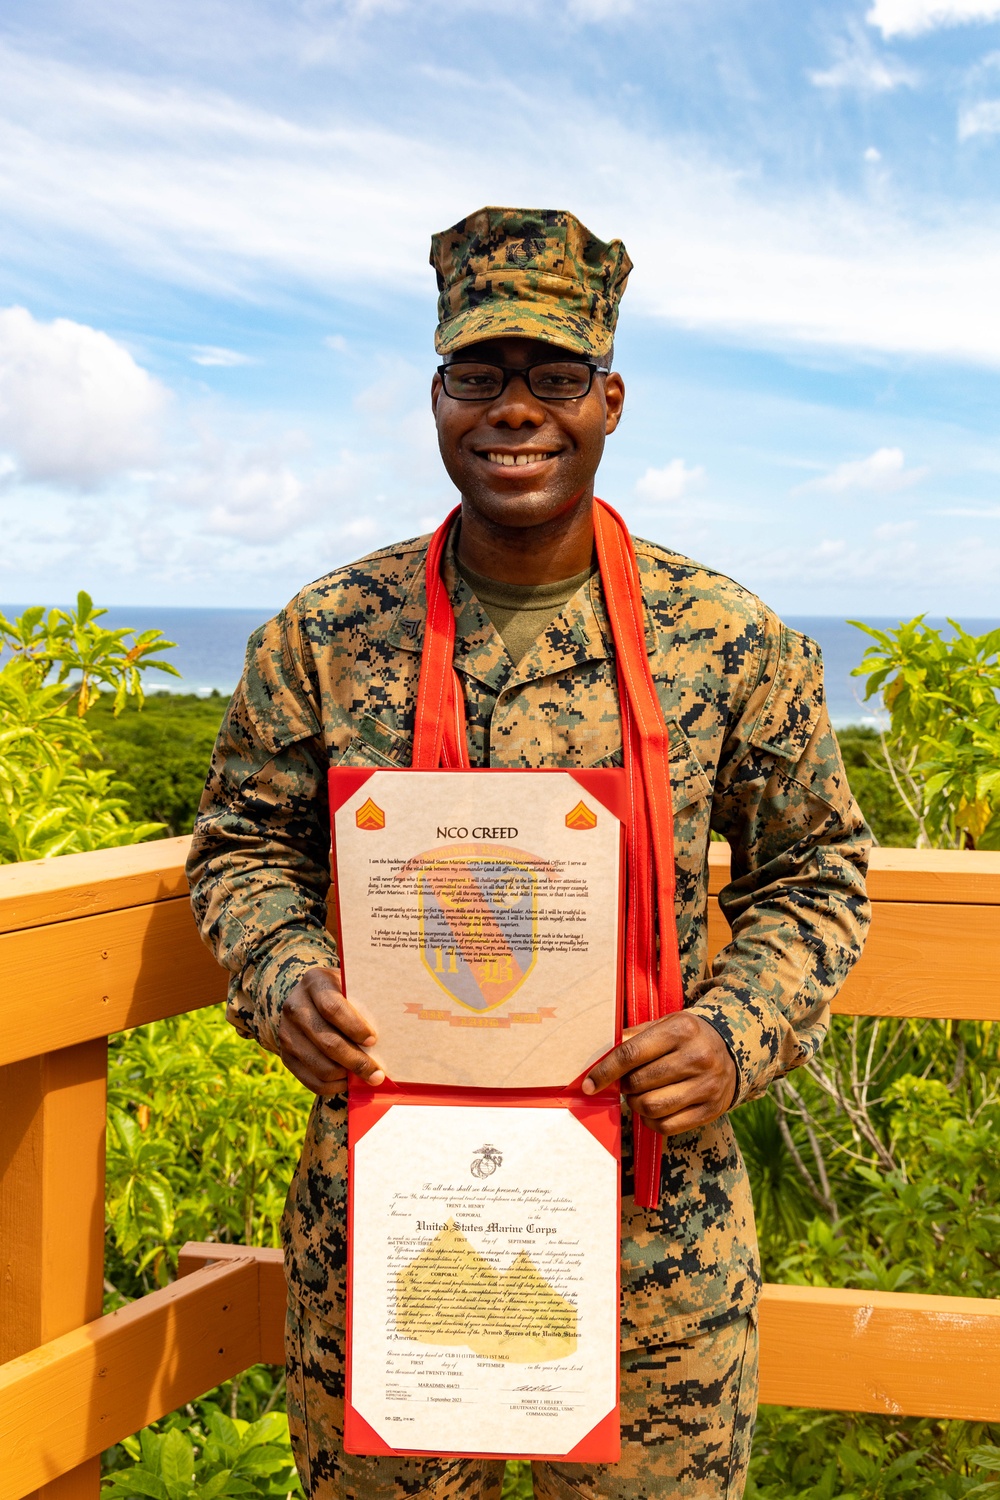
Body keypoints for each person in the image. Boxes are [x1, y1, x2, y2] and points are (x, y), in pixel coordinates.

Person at [187, 206, 871, 1500]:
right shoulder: (328, 632)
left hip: (649, 1226)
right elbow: (238, 851)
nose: (516, 412)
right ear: (437, 397)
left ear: (611, 400)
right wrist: (282, 972)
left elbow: (815, 873)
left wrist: (736, 1031)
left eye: (555, 378)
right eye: (479, 377)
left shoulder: (727, 638)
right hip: (391, 1205)